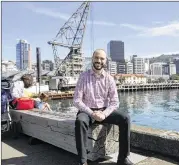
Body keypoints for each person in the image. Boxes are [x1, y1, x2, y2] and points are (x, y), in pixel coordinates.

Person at [73, 49, 134, 165]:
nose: (98, 61)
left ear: (105, 61)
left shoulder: (109, 79)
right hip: (87, 111)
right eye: (96, 57)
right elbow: (76, 100)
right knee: (80, 121)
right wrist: (92, 113)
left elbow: (115, 102)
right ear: (92, 59)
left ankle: (123, 159)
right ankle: (82, 161)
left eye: (102, 58)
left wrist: (104, 113)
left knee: (125, 118)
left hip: (104, 111)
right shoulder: (83, 76)